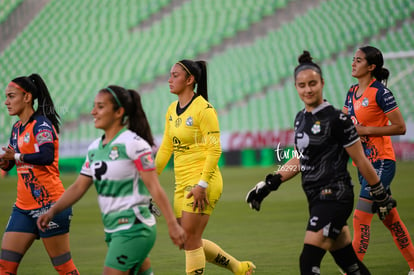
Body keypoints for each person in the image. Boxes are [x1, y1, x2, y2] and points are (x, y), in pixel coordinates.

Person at [246, 51, 397, 275]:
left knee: (308, 262)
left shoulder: (338, 119)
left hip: (335, 196)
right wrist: (270, 183)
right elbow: (299, 158)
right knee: (350, 264)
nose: (308, 89)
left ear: (322, 83)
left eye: (313, 84)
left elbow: (360, 160)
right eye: (302, 85)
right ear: (296, 87)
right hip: (316, 199)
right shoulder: (300, 118)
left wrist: (380, 194)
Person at [37, 85, 186, 275]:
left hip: (134, 227)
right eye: (94, 106)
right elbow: (78, 187)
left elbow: (154, 188)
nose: (93, 112)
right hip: (112, 230)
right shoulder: (94, 148)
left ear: (119, 112)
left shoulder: (134, 144)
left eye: (100, 107)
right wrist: (52, 212)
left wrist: (173, 225)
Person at [155, 59, 255, 275]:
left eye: (175, 75)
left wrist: (201, 185)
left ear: (190, 80)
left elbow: (214, 150)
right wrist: (150, 179)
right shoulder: (172, 109)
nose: (169, 80)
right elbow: (165, 148)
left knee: (190, 239)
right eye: (170, 75)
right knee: (186, 240)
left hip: (202, 182)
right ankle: (238, 267)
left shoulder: (205, 110)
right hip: (181, 184)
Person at [343, 45, 414, 274]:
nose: (353, 63)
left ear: (371, 67)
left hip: (382, 162)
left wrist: (365, 130)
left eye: (359, 60)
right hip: (362, 164)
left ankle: (351, 271)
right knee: (390, 218)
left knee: (360, 217)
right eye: (353, 59)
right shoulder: (351, 92)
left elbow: (400, 127)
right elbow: (345, 125)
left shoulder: (381, 93)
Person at [0, 74, 79, 274]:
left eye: (11, 96)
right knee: (4, 267)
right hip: (23, 209)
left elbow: (46, 155)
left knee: (64, 268)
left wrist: (16, 156)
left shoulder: (42, 125)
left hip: (51, 206)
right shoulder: (17, 128)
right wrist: (6, 161)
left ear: (27, 98)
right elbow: (12, 162)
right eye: (6, 97)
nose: (6, 102)